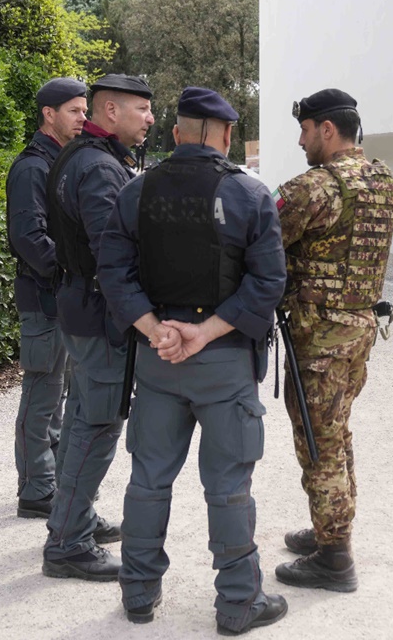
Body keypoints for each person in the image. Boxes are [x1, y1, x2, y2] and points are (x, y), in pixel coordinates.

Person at [99, 87, 289, 634]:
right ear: (226, 135)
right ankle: (237, 603)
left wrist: (159, 330)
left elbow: (114, 273)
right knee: (228, 486)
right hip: (223, 359)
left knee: (148, 480)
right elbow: (268, 282)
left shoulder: (136, 191)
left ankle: (137, 593)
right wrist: (202, 333)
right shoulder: (250, 195)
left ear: (179, 132)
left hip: (159, 359)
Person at [271, 88, 393, 594]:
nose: (301, 140)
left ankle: (334, 559)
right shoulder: (384, 180)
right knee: (337, 433)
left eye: (305, 129)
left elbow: (260, 239)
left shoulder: (316, 188)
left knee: (319, 442)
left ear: (327, 129)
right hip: (361, 329)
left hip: (319, 335)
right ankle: (332, 531)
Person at [40, 74, 154, 581]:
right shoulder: (101, 168)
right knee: (98, 424)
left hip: (80, 304)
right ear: (110, 111)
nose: (151, 119)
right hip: (98, 312)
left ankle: (73, 520)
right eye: (142, 110)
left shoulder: (79, 155)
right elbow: (114, 254)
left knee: (87, 416)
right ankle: (67, 541)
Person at [6, 77, 87, 519]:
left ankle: (49, 482)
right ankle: (36, 489)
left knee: (61, 396)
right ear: (49, 114)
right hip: (44, 299)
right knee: (42, 394)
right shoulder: (33, 167)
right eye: (74, 111)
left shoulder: (63, 162)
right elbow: (28, 237)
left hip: (66, 298)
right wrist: (70, 272)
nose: (83, 118)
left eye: (83, 110)